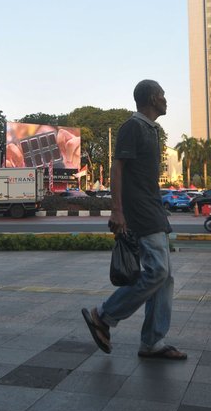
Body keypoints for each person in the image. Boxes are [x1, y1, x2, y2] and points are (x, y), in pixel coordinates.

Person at [81, 80, 187, 360]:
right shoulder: (133, 127)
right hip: (140, 213)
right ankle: (103, 315)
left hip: (154, 212)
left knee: (165, 278)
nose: (166, 99)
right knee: (158, 272)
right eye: (163, 94)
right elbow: (117, 167)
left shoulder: (152, 129)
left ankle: (152, 342)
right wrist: (117, 210)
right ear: (153, 98)